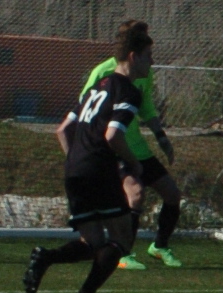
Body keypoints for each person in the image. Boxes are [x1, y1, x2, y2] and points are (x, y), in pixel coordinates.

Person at [23, 22, 150, 293]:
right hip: (98, 169)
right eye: (148, 56)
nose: (152, 62)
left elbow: (62, 130)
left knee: (94, 242)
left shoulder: (95, 88)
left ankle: (46, 257)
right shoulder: (128, 91)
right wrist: (132, 163)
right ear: (133, 57)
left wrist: (77, 159)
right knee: (122, 239)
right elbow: (112, 135)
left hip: (74, 169)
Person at [77, 25, 184, 270]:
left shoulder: (144, 72)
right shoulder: (104, 72)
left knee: (172, 194)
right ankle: (121, 253)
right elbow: (85, 106)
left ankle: (159, 246)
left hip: (137, 147)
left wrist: (161, 137)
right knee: (135, 194)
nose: (152, 60)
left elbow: (146, 107)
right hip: (115, 146)